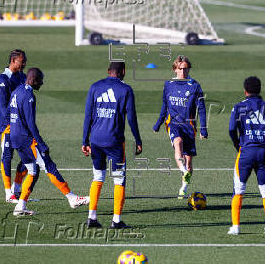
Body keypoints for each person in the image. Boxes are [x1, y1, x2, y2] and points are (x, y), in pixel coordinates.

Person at [10, 68, 89, 216]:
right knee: (49, 166)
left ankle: (20, 206)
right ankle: (72, 198)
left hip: (15, 138)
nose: (42, 82)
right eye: (40, 79)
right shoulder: (28, 96)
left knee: (33, 171)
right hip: (26, 139)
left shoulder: (17, 91)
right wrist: (40, 143)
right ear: (33, 80)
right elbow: (31, 124)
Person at [82, 62, 142, 229]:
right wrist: (138, 139)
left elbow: (88, 116)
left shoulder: (95, 87)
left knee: (98, 177)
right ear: (123, 72)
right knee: (119, 180)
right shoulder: (126, 90)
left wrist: (84, 141)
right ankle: (116, 220)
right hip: (114, 142)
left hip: (95, 140)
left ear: (108, 72)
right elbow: (131, 118)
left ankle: (91, 217)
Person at [227, 76, 265, 235]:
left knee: (239, 190)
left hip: (246, 152)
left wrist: (237, 145)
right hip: (264, 152)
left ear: (245, 91)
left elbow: (231, 129)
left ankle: (236, 227)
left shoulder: (239, 107)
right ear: (260, 90)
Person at [153, 55, 208, 199]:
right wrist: (158, 123)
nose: (183, 72)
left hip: (189, 125)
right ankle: (183, 170)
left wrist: (203, 129)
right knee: (178, 143)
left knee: (189, 160)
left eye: (186, 69)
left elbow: (201, 108)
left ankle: (184, 186)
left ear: (189, 69)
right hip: (173, 123)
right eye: (180, 69)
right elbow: (164, 106)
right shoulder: (168, 84)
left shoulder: (195, 86)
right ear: (175, 69)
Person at [0, 49, 28, 203]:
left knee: (29, 157)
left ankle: (17, 188)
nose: (25, 64)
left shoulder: (22, 77)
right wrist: (12, 123)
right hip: (8, 126)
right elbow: (3, 107)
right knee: (7, 157)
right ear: (14, 60)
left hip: (22, 125)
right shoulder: (3, 80)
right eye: (22, 61)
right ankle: (9, 193)